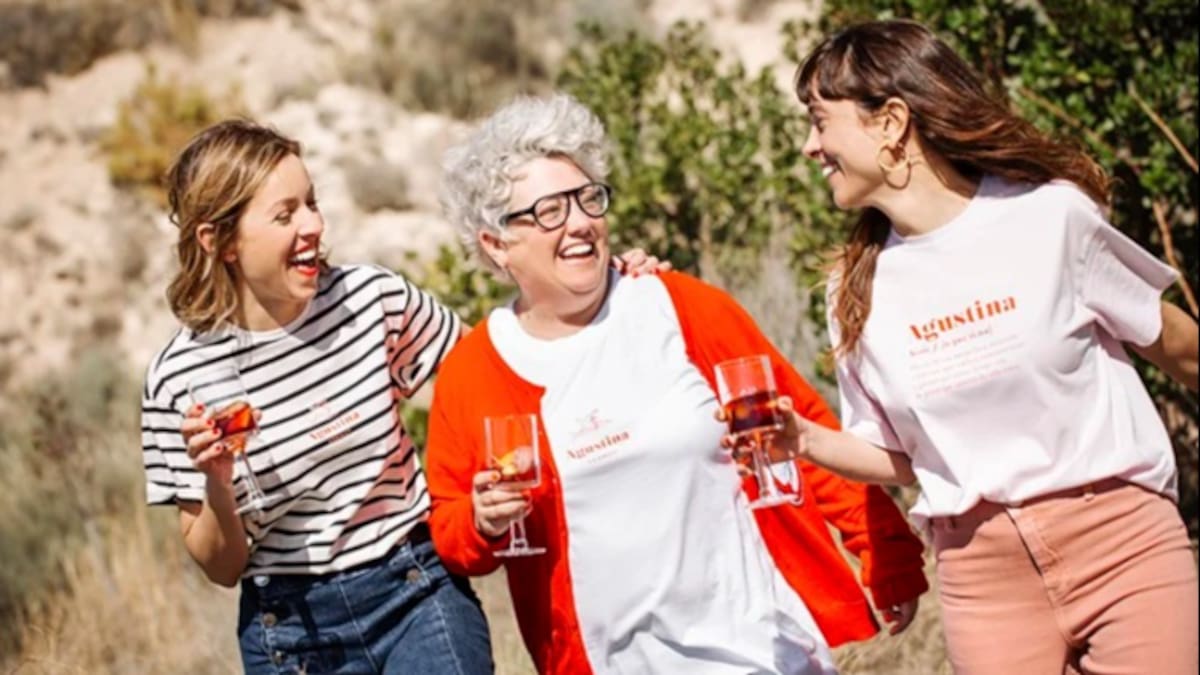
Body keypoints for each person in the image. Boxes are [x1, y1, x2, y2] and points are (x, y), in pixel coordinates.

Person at [425, 93, 929, 675]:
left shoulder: (679, 305)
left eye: (588, 199)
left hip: (759, 651)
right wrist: (483, 520)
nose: (581, 222)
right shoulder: (476, 369)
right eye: (549, 211)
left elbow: (798, 429)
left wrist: (884, 549)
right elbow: (451, 531)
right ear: (495, 244)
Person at [139, 119, 665, 674]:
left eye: (312, 203)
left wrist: (606, 291)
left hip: (415, 589)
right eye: (285, 214)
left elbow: (494, 370)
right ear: (219, 241)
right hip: (292, 634)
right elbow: (222, 567)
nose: (314, 225)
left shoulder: (371, 300)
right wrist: (216, 479)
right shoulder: (180, 379)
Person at [779, 18, 1200, 675]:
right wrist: (801, 439)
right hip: (982, 579)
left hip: (1123, 546)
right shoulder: (851, 290)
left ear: (890, 122)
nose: (810, 146)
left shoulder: (1049, 218)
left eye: (820, 120)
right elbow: (900, 456)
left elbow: (1177, 343)